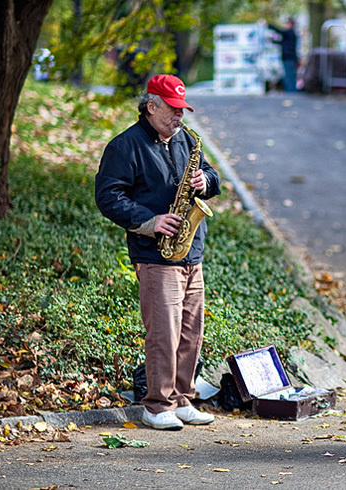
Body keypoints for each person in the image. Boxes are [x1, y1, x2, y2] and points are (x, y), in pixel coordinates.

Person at [95, 74, 221, 431]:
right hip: (155, 253)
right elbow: (108, 197)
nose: (179, 117)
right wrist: (150, 222)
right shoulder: (124, 146)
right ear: (151, 106)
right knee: (164, 332)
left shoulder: (186, 140)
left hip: (191, 251)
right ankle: (156, 404)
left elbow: (214, 177)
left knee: (191, 331)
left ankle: (182, 399)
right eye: (173, 109)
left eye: (183, 110)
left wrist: (205, 181)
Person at [267, 18, 299, 92]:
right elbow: (282, 43)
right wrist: (272, 41)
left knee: (289, 75)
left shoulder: (290, 32)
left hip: (289, 58)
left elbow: (280, 31)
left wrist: (269, 25)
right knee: (289, 75)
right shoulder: (290, 34)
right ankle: (290, 90)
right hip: (288, 58)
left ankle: (291, 91)